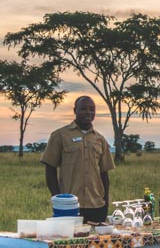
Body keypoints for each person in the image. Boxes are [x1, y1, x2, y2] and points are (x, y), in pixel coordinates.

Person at [40, 95, 113, 224]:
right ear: (75, 110)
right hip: (69, 205)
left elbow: (104, 173)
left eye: (92, 109)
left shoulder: (99, 139)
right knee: (68, 242)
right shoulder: (60, 135)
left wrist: (106, 201)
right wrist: (58, 199)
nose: (88, 112)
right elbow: (50, 169)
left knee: (96, 243)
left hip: (96, 205)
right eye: (84, 109)